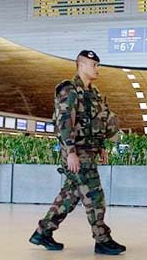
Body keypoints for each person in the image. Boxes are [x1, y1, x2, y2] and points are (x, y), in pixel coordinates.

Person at [29, 50, 126, 255]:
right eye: (94, 65)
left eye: (97, 65)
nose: (97, 69)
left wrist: (100, 147)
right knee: (94, 196)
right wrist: (70, 152)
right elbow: (64, 122)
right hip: (77, 153)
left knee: (70, 196)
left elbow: (95, 122)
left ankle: (42, 232)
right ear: (81, 65)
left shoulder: (95, 93)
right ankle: (102, 239)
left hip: (88, 151)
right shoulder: (69, 90)